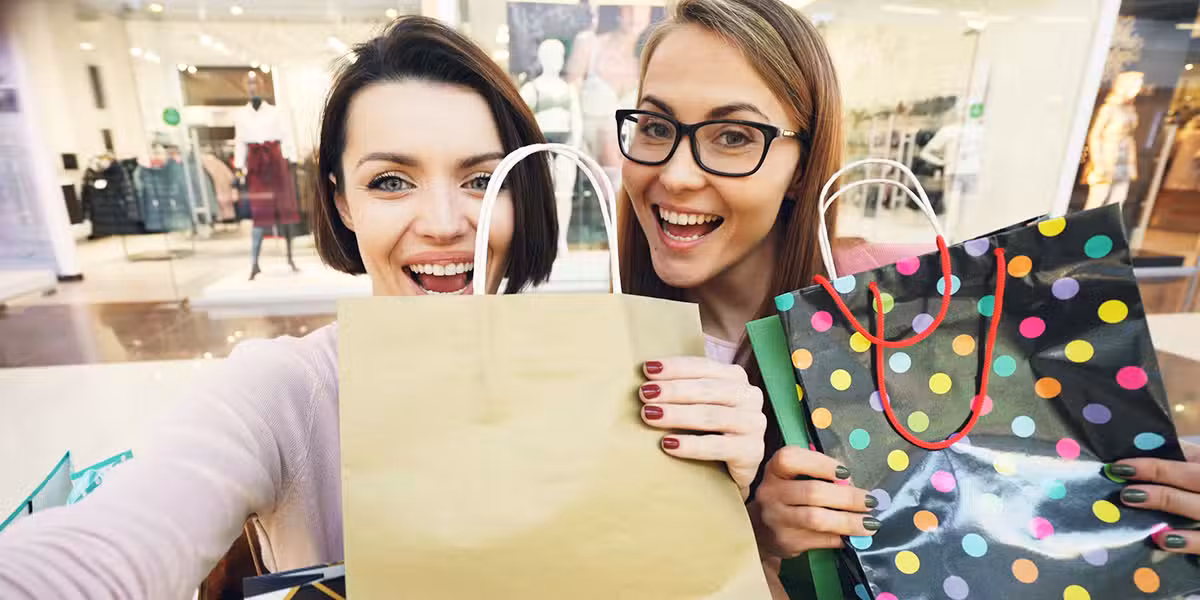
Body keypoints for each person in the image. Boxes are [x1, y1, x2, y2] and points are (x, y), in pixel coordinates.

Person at [0, 16, 764, 598]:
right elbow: (120, 541)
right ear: (341, 201)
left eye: (479, 179)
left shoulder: (618, 379)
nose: (440, 221)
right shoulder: (286, 392)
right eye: (391, 181)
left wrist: (737, 514)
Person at [617, 2, 1200, 597]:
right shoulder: (593, 351)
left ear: (803, 165)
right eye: (656, 127)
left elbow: (1042, 495)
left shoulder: (921, 314)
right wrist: (758, 548)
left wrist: (1153, 518)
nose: (679, 175)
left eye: (735, 136)